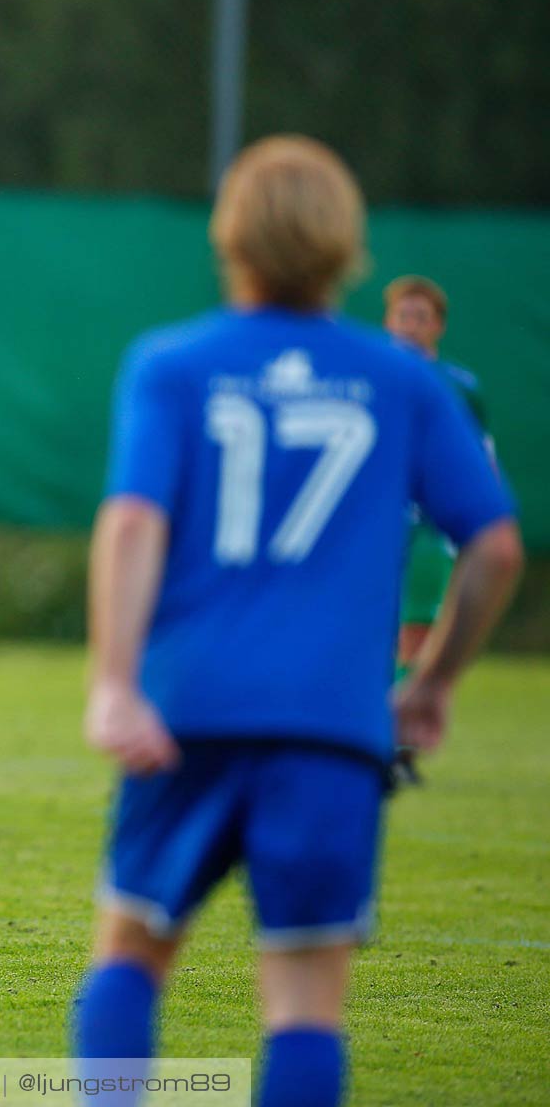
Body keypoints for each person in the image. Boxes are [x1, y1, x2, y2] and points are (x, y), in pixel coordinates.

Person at [72, 136, 522, 1107]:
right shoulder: (403, 381)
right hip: (334, 727)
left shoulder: (173, 364)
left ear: (228, 237)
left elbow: (134, 521)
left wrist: (113, 683)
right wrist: (434, 684)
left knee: (130, 956)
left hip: (187, 712)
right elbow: (495, 545)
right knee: (307, 1002)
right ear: (345, 246)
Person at [381, 274, 494, 683]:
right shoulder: (370, 379)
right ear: (387, 321)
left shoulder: (459, 387)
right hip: (376, 524)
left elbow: (481, 462)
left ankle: (399, 736)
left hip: (427, 529)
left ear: (438, 326)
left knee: (415, 631)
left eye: (421, 316)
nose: (410, 324)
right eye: (403, 314)